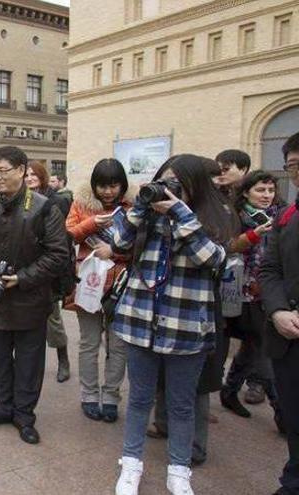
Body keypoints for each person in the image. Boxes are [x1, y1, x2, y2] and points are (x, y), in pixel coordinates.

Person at [112, 154, 233, 495]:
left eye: (175, 184)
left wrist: (181, 214)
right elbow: (118, 245)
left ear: (194, 186)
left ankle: (179, 471)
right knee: (138, 400)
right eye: (162, 181)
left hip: (185, 325)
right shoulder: (146, 217)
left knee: (181, 404)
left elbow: (216, 263)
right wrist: (140, 209)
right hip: (140, 320)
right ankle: (131, 465)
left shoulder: (213, 217)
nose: (167, 190)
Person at [0, 146, 71, 445]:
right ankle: (3, 408)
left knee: (29, 362)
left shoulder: (44, 207)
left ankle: (24, 416)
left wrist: (23, 278)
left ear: (22, 171)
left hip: (30, 299)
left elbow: (57, 255)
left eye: (3, 171)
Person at [63, 159, 133, 423]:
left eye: (113, 185)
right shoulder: (81, 205)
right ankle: (89, 395)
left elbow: (143, 244)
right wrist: (92, 224)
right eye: (102, 185)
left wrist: (114, 252)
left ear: (122, 185)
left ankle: (112, 396)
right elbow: (67, 234)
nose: (108, 191)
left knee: (118, 346)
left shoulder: (134, 207)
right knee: (89, 343)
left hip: (121, 285)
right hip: (89, 284)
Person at [220, 170, 282, 419]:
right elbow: (226, 247)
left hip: (268, 293)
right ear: (246, 192)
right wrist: (253, 235)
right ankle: (283, 414)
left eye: (270, 190)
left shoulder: (280, 216)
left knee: (253, 346)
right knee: (264, 349)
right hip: (239, 294)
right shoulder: (236, 217)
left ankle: (229, 390)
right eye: (260, 190)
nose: (267, 195)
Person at [259, 131, 299, 495]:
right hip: (288, 334)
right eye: (293, 167)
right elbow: (269, 269)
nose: (297, 173)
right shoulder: (287, 216)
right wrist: (277, 311)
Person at [25, 160, 73, 383]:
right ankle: (31, 366)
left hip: (48, 271)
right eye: (26, 174)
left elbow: (60, 240)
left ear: (42, 176)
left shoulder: (56, 200)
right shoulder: (20, 199)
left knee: (53, 320)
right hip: (25, 269)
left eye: (34, 174)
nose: (30, 178)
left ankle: (63, 360)